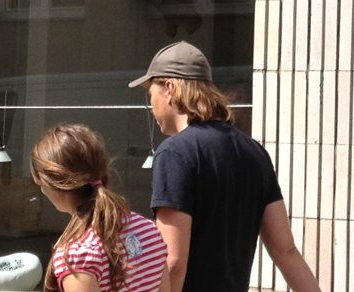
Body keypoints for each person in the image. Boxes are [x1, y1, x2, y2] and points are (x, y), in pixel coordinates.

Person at [129, 41, 319, 292]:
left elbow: (173, 262)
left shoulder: (174, 153)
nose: (151, 107)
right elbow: (287, 251)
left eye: (150, 94)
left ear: (169, 88)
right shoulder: (255, 152)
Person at [31, 124, 169, 292]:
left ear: (53, 184)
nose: (42, 190)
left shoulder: (77, 256)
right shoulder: (149, 230)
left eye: (39, 182)